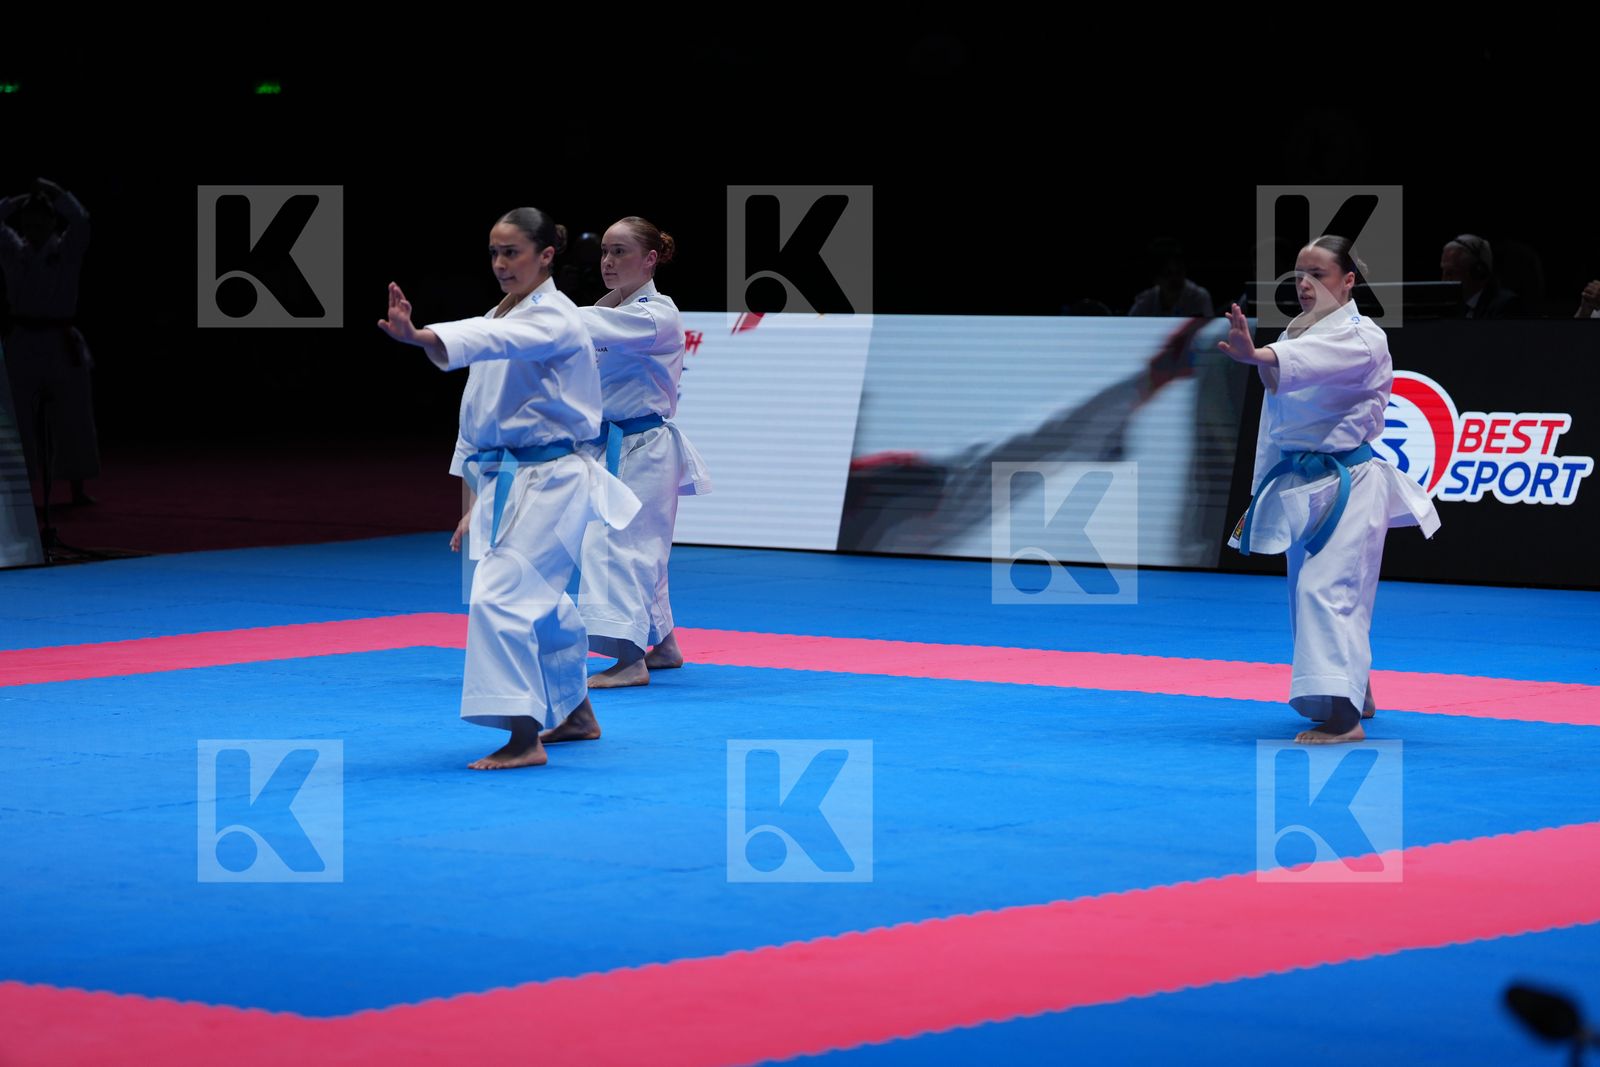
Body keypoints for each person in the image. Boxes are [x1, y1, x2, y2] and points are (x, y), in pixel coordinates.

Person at [377, 207, 639, 769]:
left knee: (501, 597)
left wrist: (420, 335)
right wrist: (473, 502)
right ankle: (574, 711)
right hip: (510, 481)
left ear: (546, 256)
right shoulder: (501, 317)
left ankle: (524, 738)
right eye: (494, 252)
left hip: (555, 479)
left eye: (512, 252)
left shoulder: (556, 319)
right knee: (540, 603)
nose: (500, 263)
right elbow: (476, 424)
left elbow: (492, 339)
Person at [1220, 235, 1440, 744]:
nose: (1303, 283)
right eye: (1299, 273)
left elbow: (1308, 363)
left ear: (1348, 281)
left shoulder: (1364, 337)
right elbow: (1281, 406)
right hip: (1303, 482)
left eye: (1318, 273)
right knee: (1311, 596)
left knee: (1329, 592)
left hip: (1349, 483)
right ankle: (1354, 692)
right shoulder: (1299, 334)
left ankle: (1344, 722)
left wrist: (1259, 355)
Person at [546, 217, 710, 717]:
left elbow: (577, 325)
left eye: (620, 252)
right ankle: (662, 646)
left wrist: (533, 303)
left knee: (617, 547)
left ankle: (627, 660)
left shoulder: (655, 314)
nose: (609, 262)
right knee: (642, 551)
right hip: (610, 446)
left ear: (650, 259)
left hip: (639, 445)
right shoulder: (603, 308)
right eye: (605, 253)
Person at [0, 178, 100, 505]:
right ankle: (19, 494)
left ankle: (77, 488)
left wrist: (56, 192)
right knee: (17, 421)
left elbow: (82, 222)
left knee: (74, 416)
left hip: (60, 340)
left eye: (41, 217)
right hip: (24, 340)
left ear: (53, 220)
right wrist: (15, 201)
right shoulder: (14, 250)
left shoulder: (66, 250)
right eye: (29, 218)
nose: (34, 223)